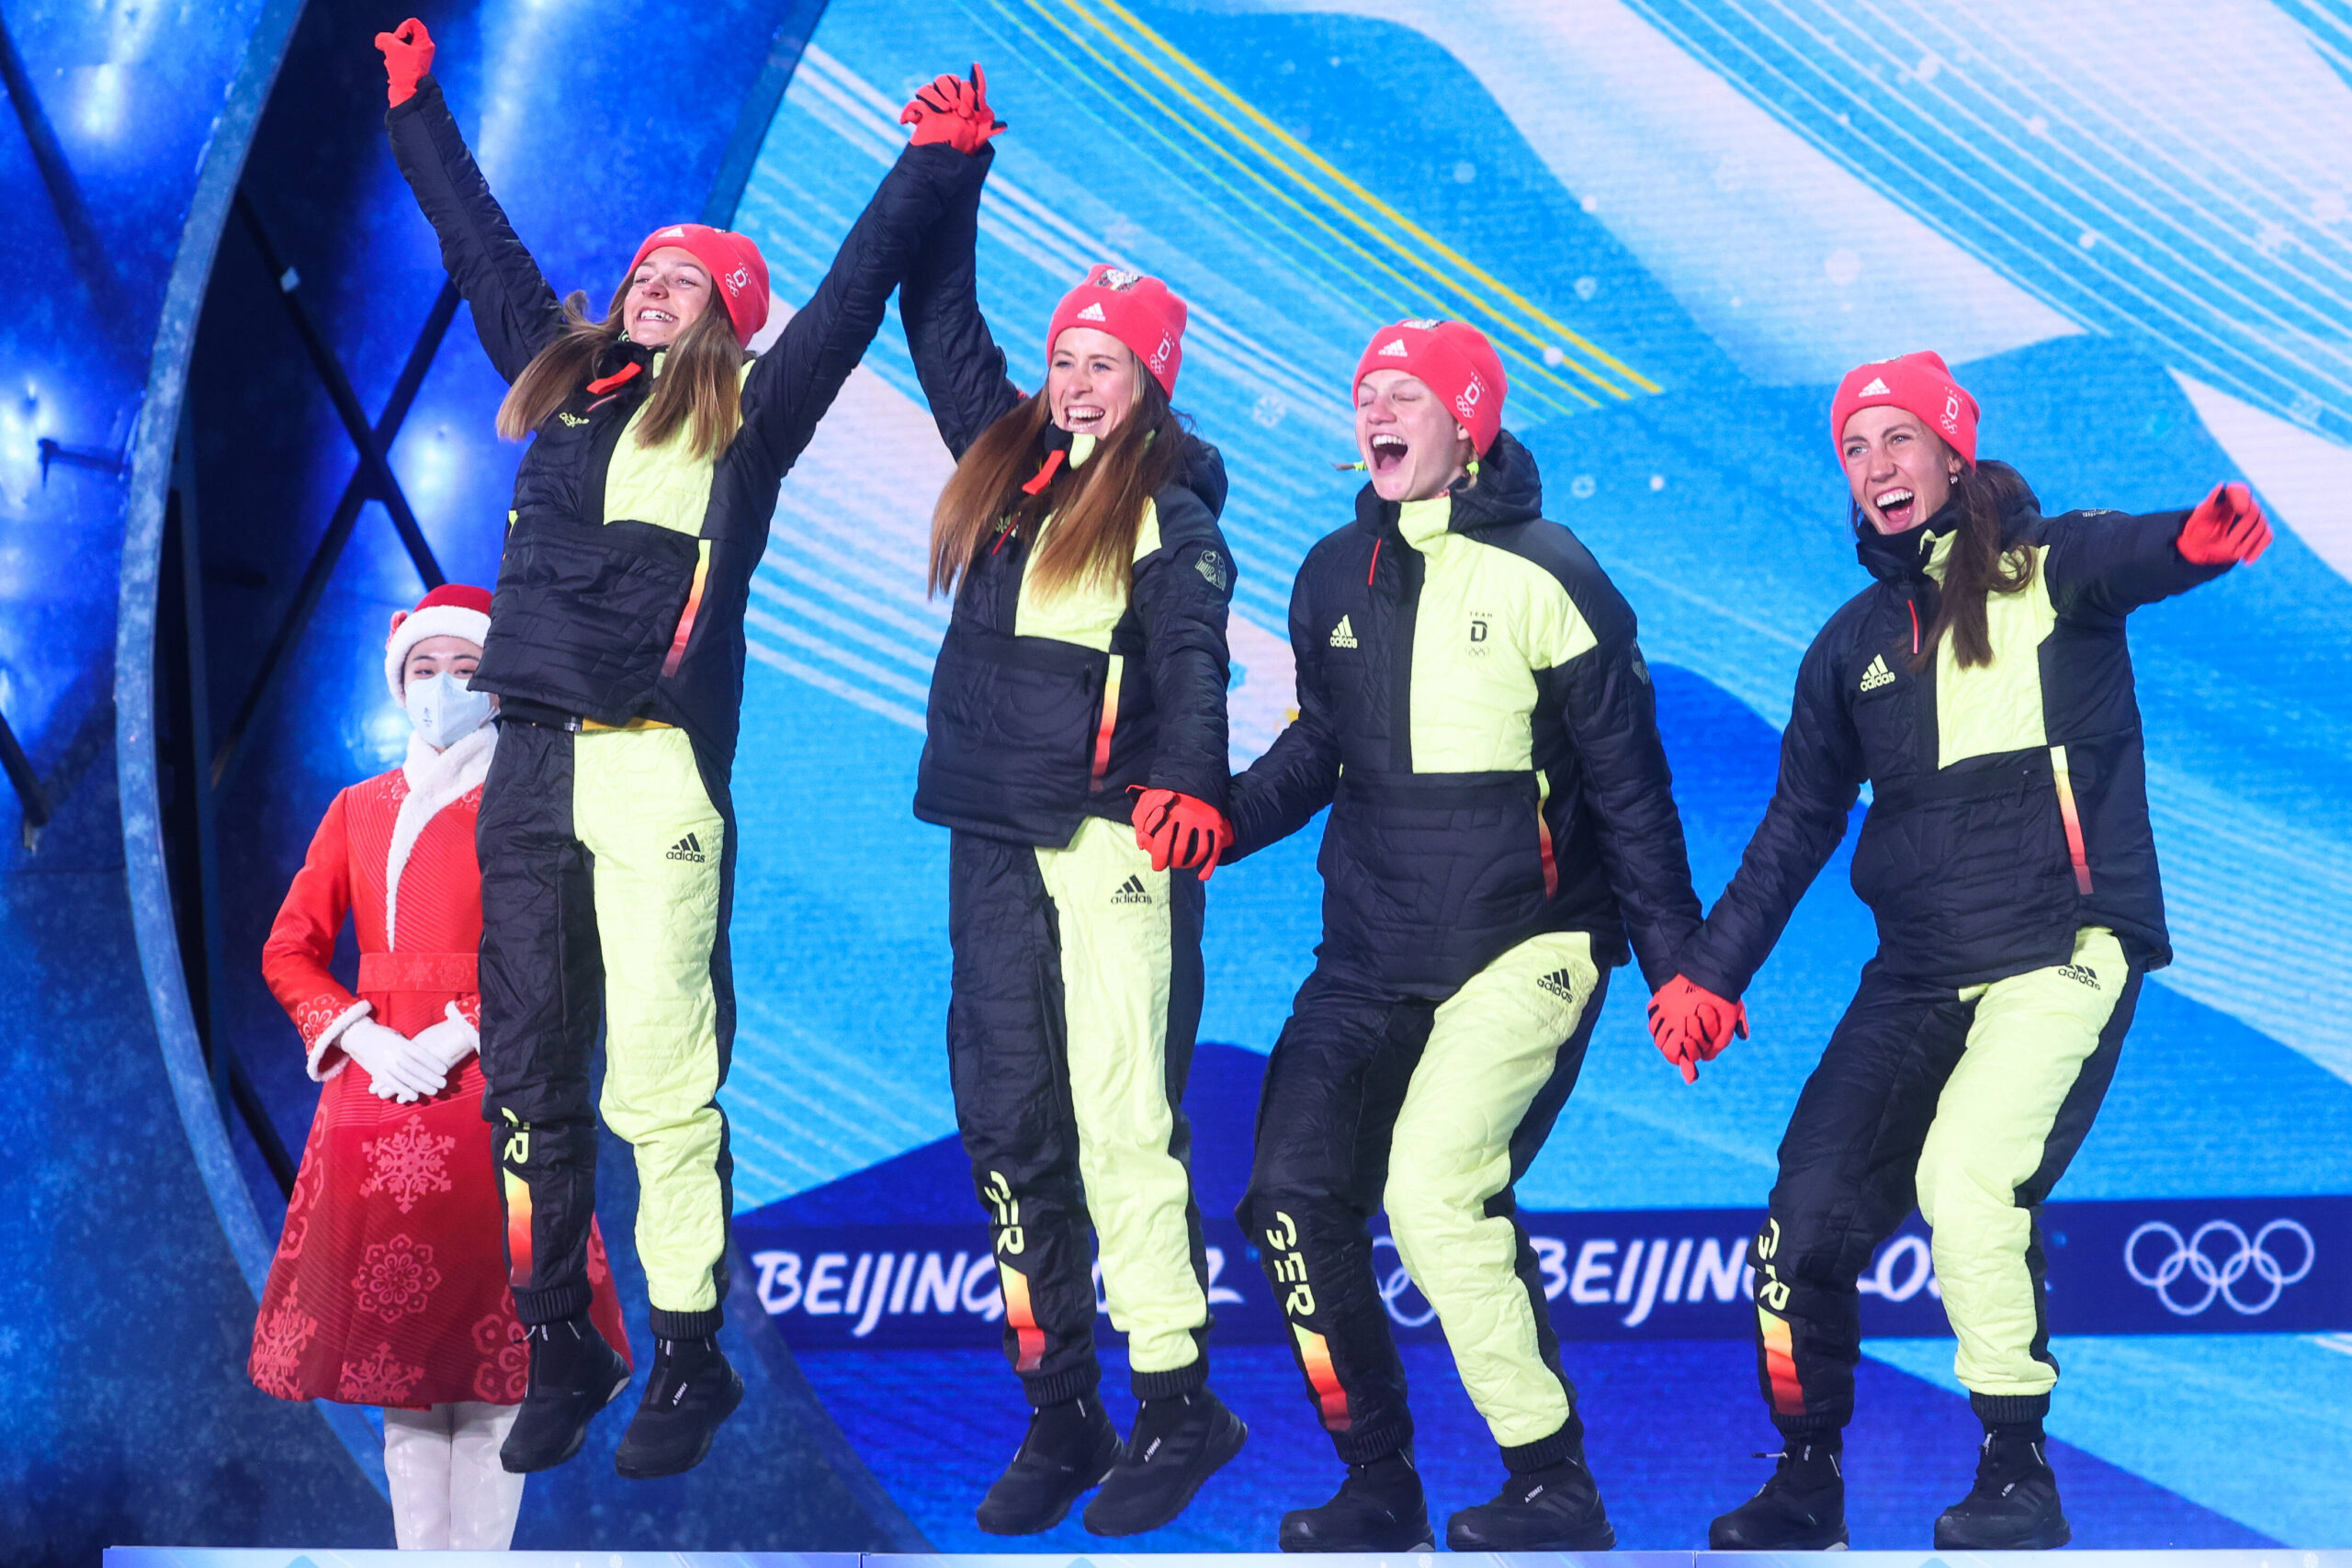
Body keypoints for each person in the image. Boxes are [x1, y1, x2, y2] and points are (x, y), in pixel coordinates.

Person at [374, 19, 980, 1477]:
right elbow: (485, 251)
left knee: (655, 1074)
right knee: (526, 1077)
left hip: (654, 770)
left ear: (726, 315)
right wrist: (413, 110)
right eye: (644, 272)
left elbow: (847, 292)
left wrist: (927, 165)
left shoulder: (750, 420)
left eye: (681, 280)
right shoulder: (566, 384)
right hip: (527, 761)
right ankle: (560, 1338)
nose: (649, 290)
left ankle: (691, 1351)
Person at [1648, 351, 2273, 1551]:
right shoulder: (1850, 646)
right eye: (1854, 448)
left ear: (1951, 450)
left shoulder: (2049, 569)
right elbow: (1795, 825)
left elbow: (2135, 551)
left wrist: (2196, 539)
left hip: (2060, 947)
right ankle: (1805, 1475)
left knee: (1967, 1176)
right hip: (1920, 968)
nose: (1876, 467)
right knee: (1802, 1217)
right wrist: (1708, 972)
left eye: (1897, 439)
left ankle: (2015, 1468)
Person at [1226, 320, 1704, 1552]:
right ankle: (1376, 1479)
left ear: (1469, 420)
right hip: (1370, 949)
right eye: (1364, 391)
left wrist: (1680, 965)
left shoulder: (1553, 571)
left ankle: (1553, 1479)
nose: (1376, 409)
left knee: (1434, 1191)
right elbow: (1314, 753)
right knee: (1287, 1196)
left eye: (1405, 392)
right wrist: (1212, 824)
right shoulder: (1334, 571)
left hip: (1528, 941)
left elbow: (1632, 789)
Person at [892, 70, 1247, 1540]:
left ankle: (1179, 1400)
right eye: (1069, 356)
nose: (1081, 378)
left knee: (1119, 1122)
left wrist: (1185, 783)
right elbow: (938, 319)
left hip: (1107, 838)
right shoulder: (1012, 462)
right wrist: (953, 169)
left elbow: (1194, 660)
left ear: (1153, 380)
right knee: (1006, 1121)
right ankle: (1062, 1408)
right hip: (989, 828)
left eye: (1109, 360)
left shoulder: (1171, 508)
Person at [251, 585, 632, 1551]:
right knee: (406, 1382)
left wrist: (464, 1032)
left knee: (503, 1369)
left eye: (466, 671)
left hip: (496, 1101)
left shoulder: (532, 801)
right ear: (397, 680)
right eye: (425, 670)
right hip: (376, 1109)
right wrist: (363, 1034)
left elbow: (562, 945)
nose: (443, 688)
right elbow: (289, 949)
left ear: (498, 684)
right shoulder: (355, 810)